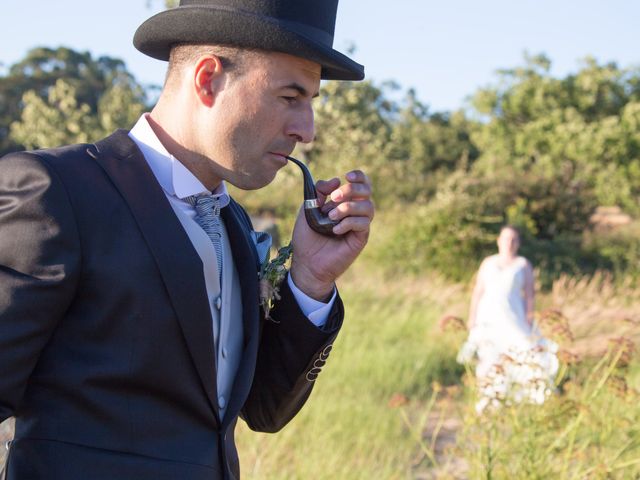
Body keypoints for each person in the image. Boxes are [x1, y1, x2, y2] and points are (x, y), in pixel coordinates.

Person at [0, 1, 374, 478]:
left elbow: (263, 411)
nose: (307, 130)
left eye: (310, 103)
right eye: (290, 96)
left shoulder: (234, 224)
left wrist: (310, 277)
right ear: (208, 79)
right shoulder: (56, 192)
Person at [457, 226, 558, 412]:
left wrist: (529, 317)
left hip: (513, 316)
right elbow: (478, 291)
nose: (509, 243)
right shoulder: (488, 262)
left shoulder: (523, 264)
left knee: (524, 350)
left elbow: (529, 294)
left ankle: (532, 395)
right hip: (488, 316)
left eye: (513, 240)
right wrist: (472, 317)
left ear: (518, 243)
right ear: (498, 240)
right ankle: (489, 400)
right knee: (489, 355)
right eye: (506, 239)